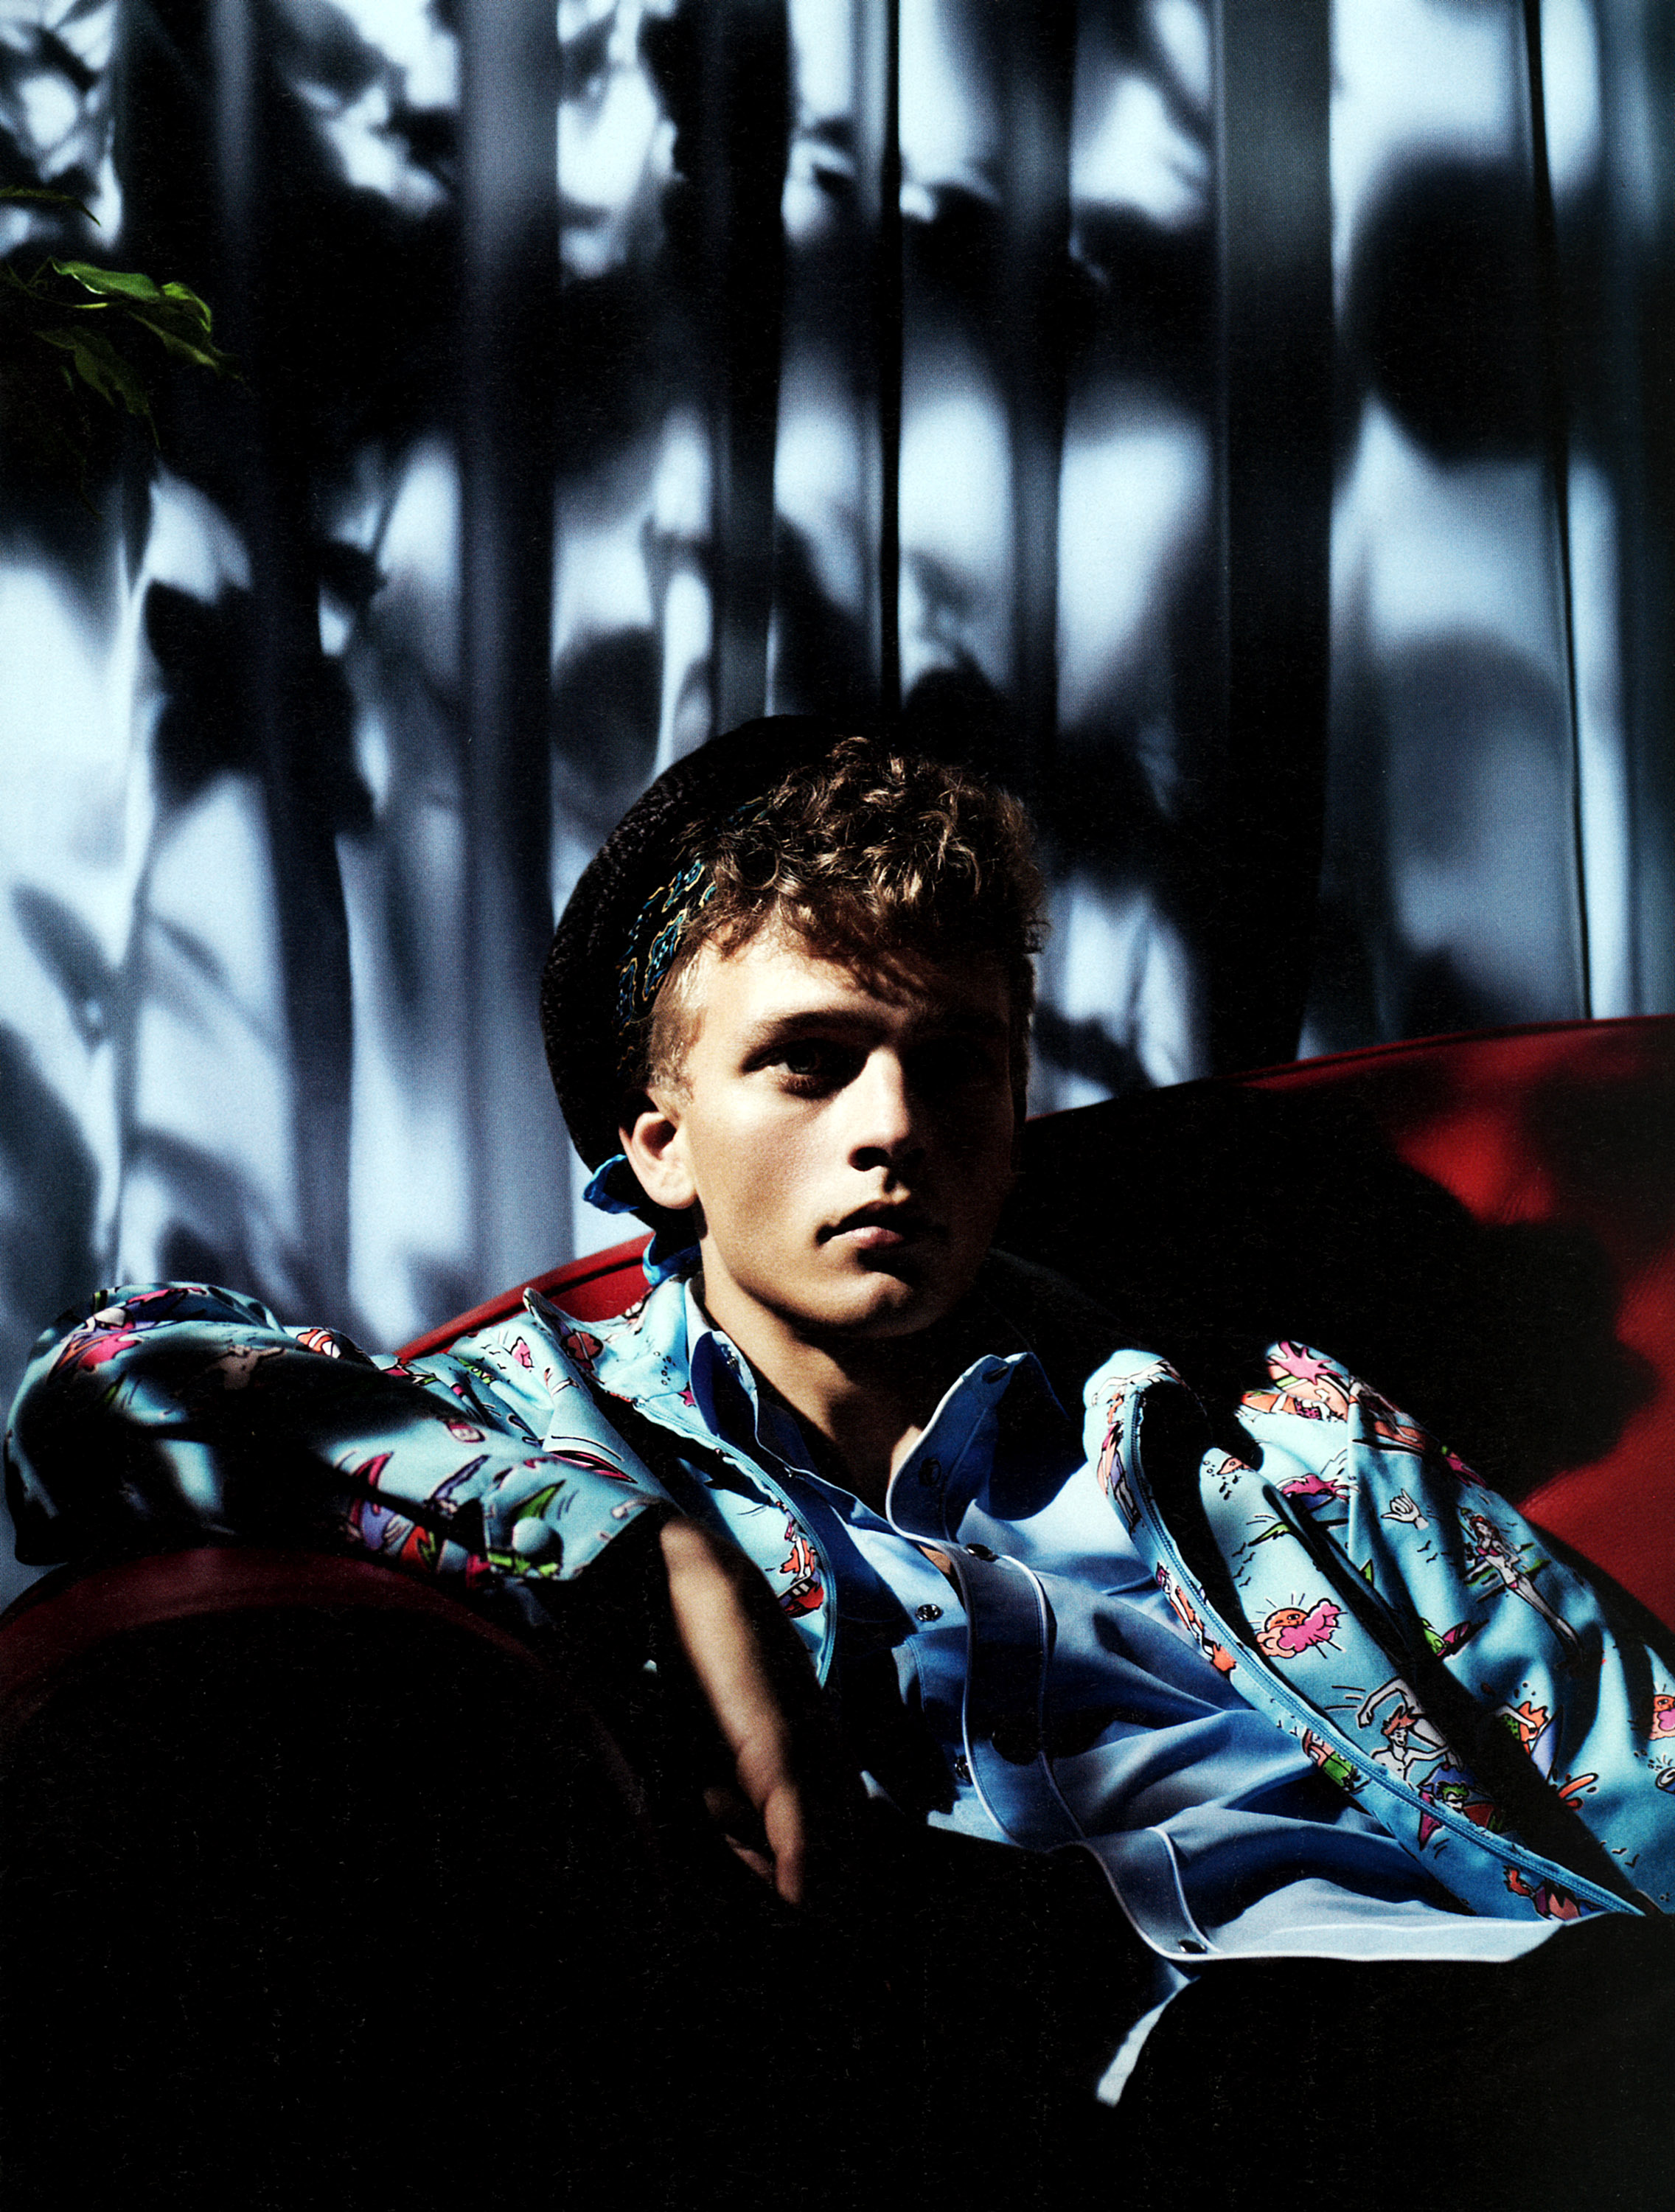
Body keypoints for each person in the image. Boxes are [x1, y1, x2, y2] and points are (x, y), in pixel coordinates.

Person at [7, 715, 1675, 2211]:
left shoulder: (1269, 1428)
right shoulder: (534, 1431)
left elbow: (1636, 1765)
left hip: (1508, 2040)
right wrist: (631, 1549)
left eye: (953, 1064)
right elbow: (97, 1389)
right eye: (808, 1061)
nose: (892, 1127)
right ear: (656, 1143)